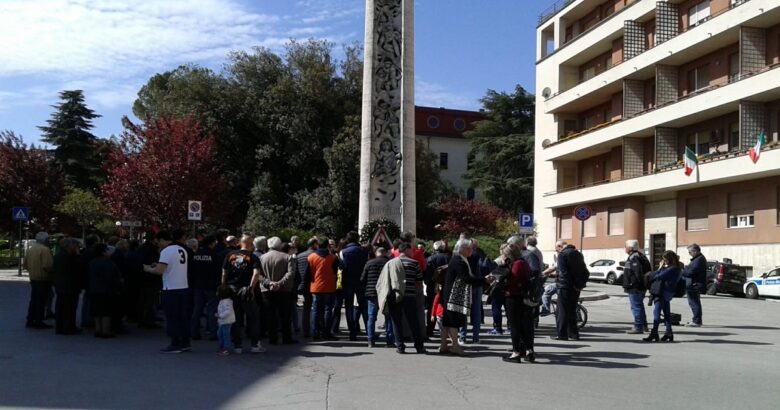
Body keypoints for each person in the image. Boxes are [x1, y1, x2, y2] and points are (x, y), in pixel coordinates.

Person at [439, 238, 493, 355]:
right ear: (462, 249)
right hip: (453, 295)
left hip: (451, 293)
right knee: (452, 321)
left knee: (448, 321)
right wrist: (484, 280)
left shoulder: (460, 259)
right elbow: (466, 278)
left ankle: (444, 345)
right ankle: (455, 346)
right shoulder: (458, 260)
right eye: (469, 248)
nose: (471, 251)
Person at [144, 230, 192, 353]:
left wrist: (148, 269)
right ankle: (185, 342)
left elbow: (159, 270)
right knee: (183, 317)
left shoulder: (166, 251)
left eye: (158, 242)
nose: (158, 244)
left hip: (171, 288)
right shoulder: (182, 249)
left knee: (172, 317)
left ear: (162, 240)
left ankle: (175, 343)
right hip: (183, 286)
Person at [221, 234, 265, 354]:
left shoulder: (230, 255)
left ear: (240, 243)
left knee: (235, 318)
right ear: (251, 244)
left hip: (232, 289)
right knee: (253, 318)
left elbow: (224, 272)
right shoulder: (253, 257)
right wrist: (251, 288)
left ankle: (237, 346)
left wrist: (223, 286)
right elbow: (256, 274)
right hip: (246, 290)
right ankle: (255, 345)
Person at [385, 242, 426, 354]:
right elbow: (419, 282)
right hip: (410, 296)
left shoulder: (391, 263)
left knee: (396, 321)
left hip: (395, 296)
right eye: (411, 250)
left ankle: (400, 346)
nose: (412, 252)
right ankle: (419, 346)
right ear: (406, 250)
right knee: (413, 321)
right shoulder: (414, 263)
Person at [259, 237, 297, 345]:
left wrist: (269, 283)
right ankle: (286, 337)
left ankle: (273, 338)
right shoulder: (288, 257)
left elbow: (259, 275)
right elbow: (291, 273)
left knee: (270, 315)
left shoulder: (262, 258)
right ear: (280, 246)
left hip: (267, 290)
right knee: (285, 315)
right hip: (284, 290)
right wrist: (279, 283)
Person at [501, 244, 534, 363]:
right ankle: (529, 351)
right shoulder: (524, 263)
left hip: (514, 297)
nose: (503, 256)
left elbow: (511, 281)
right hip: (523, 297)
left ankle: (516, 353)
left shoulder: (517, 264)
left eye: (504, 254)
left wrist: (502, 278)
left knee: (515, 326)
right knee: (526, 326)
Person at [550, 241, 587, 341]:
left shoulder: (562, 255)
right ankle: (574, 334)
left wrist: (571, 284)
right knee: (572, 310)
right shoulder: (578, 254)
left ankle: (562, 334)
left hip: (565, 286)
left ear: (560, 246)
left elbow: (564, 272)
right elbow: (585, 271)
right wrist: (579, 285)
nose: (557, 251)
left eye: (557, 249)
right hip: (576, 288)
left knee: (561, 310)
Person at [643, 251, 682, 342]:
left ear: (670, 259)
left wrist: (660, 268)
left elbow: (658, 276)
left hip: (661, 292)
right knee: (667, 314)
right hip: (668, 293)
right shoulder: (677, 268)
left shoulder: (672, 269)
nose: (664, 261)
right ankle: (669, 333)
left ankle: (654, 333)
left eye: (665, 259)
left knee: (656, 313)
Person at [307, 237, 340, 340]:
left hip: (315, 287)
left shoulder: (311, 257)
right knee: (328, 310)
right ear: (327, 245)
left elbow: (307, 274)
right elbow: (339, 268)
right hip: (329, 287)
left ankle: (315, 333)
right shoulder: (333, 257)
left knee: (316, 310)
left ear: (317, 245)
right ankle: (326, 333)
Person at [339, 231, 369, 341]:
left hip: (348, 281)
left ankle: (352, 332)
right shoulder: (364, 251)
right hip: (361, 281)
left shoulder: (343, 252)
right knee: (363, 306)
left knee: (349, 307)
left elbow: (342, 266)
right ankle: (368, 331)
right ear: (357, 239)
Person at [189, 236, 221, 341]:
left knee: (197, 309)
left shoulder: (196, 255)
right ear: (211, 244)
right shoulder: (214, 255)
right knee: (212, 310)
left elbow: (191, 270)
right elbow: (219, 271)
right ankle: (213, 333)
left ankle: (194, 332)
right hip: (211, 286)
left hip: (198, 286)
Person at [361, 247, 393, 347]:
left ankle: (371, 340)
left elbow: (363, 278)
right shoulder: (389, 263)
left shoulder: (369, 263)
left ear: (376, 253)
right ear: (385, 253)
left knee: (371, 317)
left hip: (371, 293)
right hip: (386, 293)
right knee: (388, 317)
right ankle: (389, 340)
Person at [89, 243, 122, 338]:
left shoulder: (92, 262)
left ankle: (98, 329)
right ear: (103, 252)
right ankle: (106, 330)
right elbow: (111, 277)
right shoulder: (108, 262)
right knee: (106, 311)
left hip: (94, 288)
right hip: (106, 289)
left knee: (97, 311)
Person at [25, 231, 54, 329]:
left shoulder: (30, 249)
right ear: (45, 240)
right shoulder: (45, 250)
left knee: (33, 300)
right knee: (41, 301)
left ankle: (30, 319)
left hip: (33, 277)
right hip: (43, 278)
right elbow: (47, 266)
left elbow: (25, 264)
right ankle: (38, 321)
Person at [53, 238, 82, 335]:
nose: (77, 247)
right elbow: (77, 267)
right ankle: (68, 327)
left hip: (62, 285)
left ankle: (61, 327)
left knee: (62, 307)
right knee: (69, 308)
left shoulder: (59, 255)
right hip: (69, 286)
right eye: (75, 245)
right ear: (69, 246)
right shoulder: (68, 257)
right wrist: (78, 255)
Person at [623, 239, 651, 334]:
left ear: (630, 248)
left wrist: (634, 284)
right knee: (639, 306)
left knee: (636, 307)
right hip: (640, 287)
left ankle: (638, 326)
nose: (625, 248)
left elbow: (637, 273)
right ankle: (644, 326)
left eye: (625, 246)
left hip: (635, 287)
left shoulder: (634, 258)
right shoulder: (640, 256)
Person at [425, 241, 449, 336]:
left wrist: (428, 283)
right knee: (445, 307)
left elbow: (426, 275)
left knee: (431, 306)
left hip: (432, 286)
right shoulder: (448, 258)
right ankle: (446, 329)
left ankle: (430, 329)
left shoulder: (429, 259)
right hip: (445, 286)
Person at [297, 237, 318, 338]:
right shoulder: (316, 255)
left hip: (303, 284)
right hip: (315, 283)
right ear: (314, 244)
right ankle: (316, 329)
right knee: (316, 307)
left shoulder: (299, 256)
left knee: (306, 307)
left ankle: (305, 330)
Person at [681, 244, 706, 327]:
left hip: (694, 284)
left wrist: (683, 271)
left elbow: (690, 272)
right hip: (693, 283)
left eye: (690, 252)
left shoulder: (699, 260)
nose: (689, 254)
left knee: (694, 303)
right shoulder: (697, 259)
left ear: (695, 251)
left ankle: (696, 321)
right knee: (694, 302)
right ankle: (697, 320)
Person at [215, 284, 236, 356]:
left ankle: (226, 348)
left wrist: (220, 315)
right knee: (220, 334)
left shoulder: (227, 302)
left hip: (226, 321)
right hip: (223, 321)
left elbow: (228, 311)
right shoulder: (223, 301)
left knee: (225, 335)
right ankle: (222, 346)